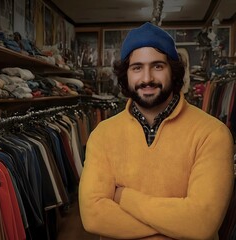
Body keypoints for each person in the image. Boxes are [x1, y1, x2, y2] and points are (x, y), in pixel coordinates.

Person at [78, 22, 234, 240]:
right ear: (126, 74)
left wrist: (124, 197)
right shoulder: (103, 135)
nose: (147, 78)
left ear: (174, 70)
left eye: (158, 66)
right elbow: (93, 216)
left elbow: (201, 224)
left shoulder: (212, 134)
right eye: (137, 67)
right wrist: (177, 225)